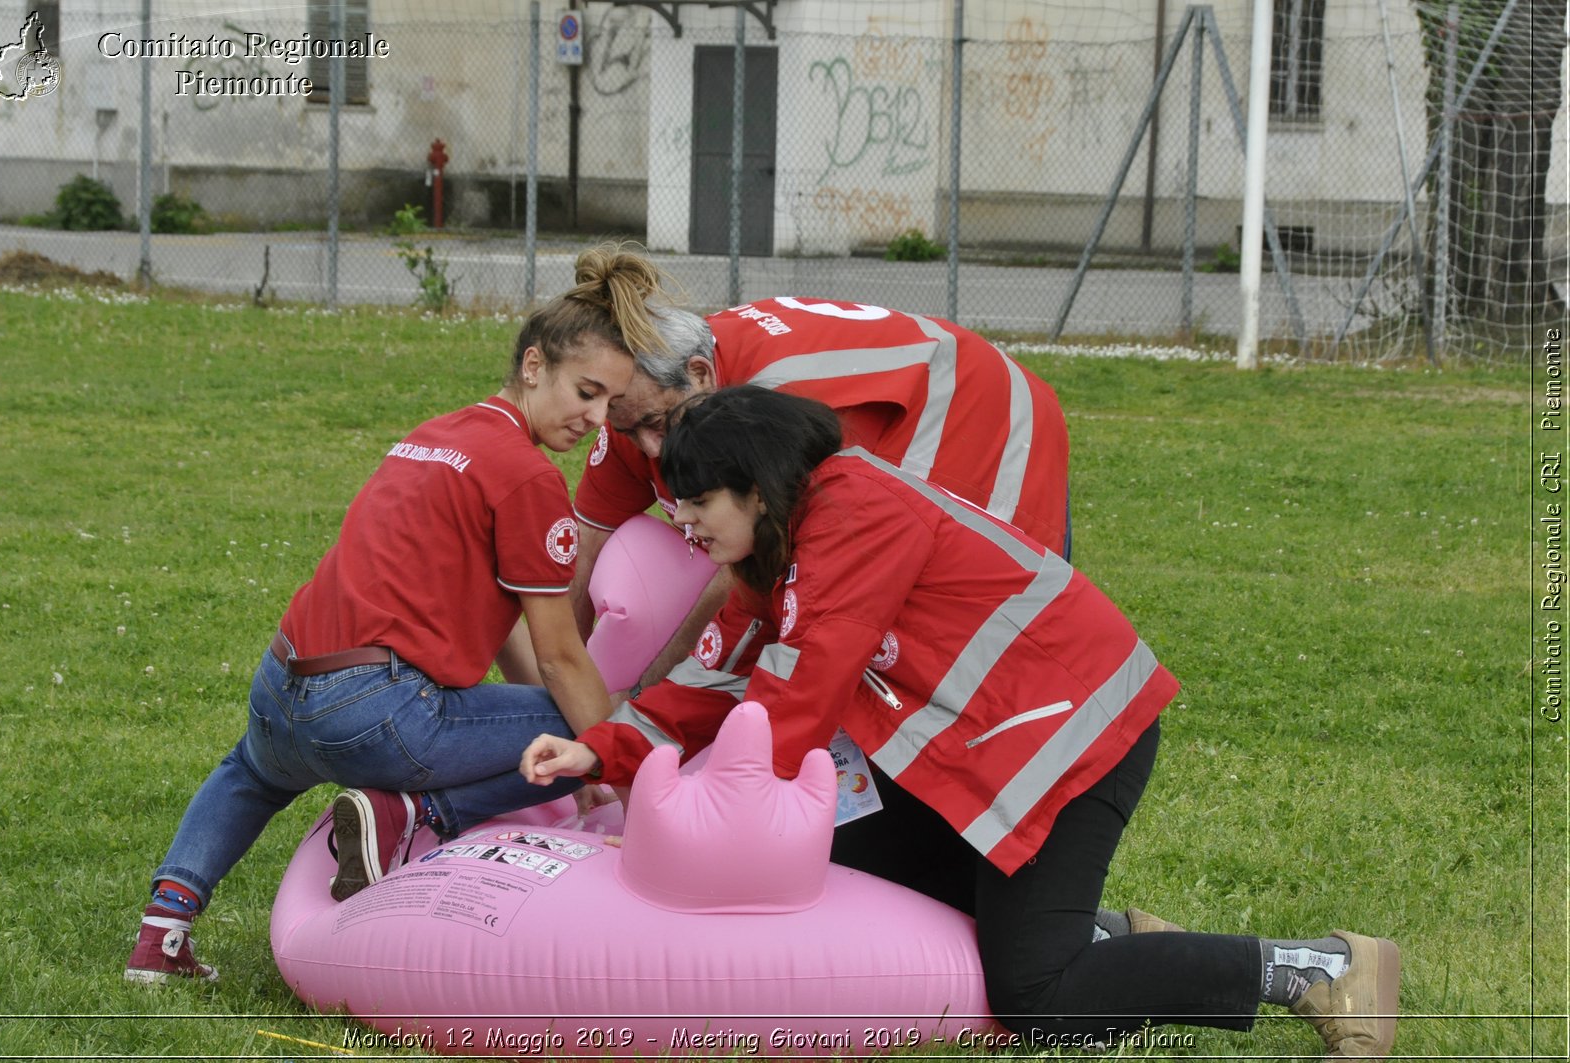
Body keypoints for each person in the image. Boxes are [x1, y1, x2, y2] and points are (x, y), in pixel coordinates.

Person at [523, 387, 1400, 1057]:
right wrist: (602, 749)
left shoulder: (855, 515)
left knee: (1037, 999)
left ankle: (1325, 968)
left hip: (1075, 743)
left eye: (694, 503)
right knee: (849, 855)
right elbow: (709, 677)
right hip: (983, 751)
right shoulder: (782, 537)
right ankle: (1120, 942)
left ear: (755, 490)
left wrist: (712, 813)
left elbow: (797, 694)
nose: (679, 522)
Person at [124, 245, 668, 985]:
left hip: (281, 685)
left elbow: (515, 630)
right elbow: (563, 656)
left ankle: (162, 935)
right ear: (534, 366)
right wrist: (609, 757)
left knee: (248, 772)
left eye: (611, 403)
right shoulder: (529, 478)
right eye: (586, 391)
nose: (596, 418)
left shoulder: (436, 433)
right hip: (373, 711)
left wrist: (543, 712)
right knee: (582, 725)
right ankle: (410, 817)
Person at [567, 296, 1069, 700]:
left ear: (700, 375)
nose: (650, 448)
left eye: (656, 425)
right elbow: (582, 548)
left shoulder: (777, 402)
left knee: (928, 627)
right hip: (889, 383)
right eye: (628, 431)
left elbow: (747, 577)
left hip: (971, 401)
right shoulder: (646, 394)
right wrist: (564, 692)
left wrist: (641, 696)